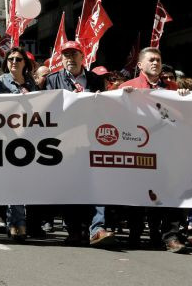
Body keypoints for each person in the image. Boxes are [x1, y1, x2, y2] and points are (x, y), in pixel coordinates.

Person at [119, 47, 190, 253]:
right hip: (138, 148)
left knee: (169, 193)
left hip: (166, 152)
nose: (156, 63)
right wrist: (121, 98)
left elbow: (184, 116)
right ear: (140, 65)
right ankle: (135, 233)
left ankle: (170, 237)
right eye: (151, 59)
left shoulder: (173, 88)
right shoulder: (127, 87)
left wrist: (184, 97)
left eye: (158, 60)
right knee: (138, 193)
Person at [43, 40, 112, 247]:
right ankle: (74, 230)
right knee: (71, 186)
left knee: (96, 184)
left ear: (83, 57)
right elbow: (48, 108)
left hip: (92, 140)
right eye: (66, 55)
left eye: (74, 54)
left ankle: (97, 228)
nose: (69, 59)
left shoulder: (95, 80)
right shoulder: (53, 80)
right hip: (66, 141)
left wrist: (103, 100)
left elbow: (106, 109)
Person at [0, 47, 38, 241]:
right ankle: (17, 223)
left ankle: (22, 222)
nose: (14, 62)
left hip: (29, 138)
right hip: (8, 138)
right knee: (15, 181)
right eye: (10, 59)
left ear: (24, 63)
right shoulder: (0, 82)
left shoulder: (32, 83)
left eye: (18, 59)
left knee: (26, 182)